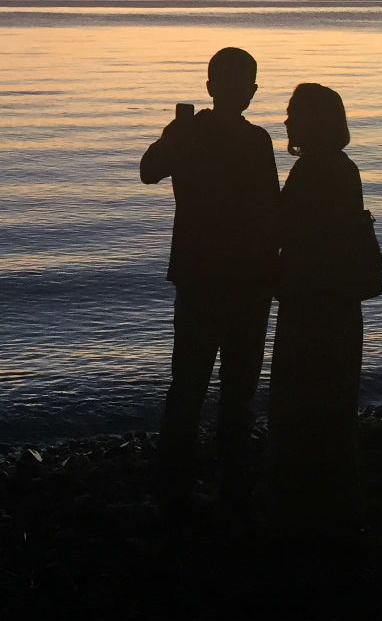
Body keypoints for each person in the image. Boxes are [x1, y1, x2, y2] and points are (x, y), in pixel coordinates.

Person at [140, 47, 280, 510]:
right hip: (239, 279)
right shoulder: (245, 139)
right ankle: (225, 481)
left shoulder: (203, 135)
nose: (238, 91)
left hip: (210, 276)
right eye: (238, 83)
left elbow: (148, 172)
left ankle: (180, 483)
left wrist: (174, 137)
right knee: (227, 386)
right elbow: (272, 214)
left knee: (196, 383)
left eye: (239, 83)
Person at [268, 82, 366, 544]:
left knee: (300, 398)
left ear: (314, 119)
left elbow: (282, 225)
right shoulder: (345, 168)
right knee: (334, 400)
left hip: (310, 304)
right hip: (341, 304)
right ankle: (332, 499)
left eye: (293, 113)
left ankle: (302, 509)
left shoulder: (311, 171)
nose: (286, 121)